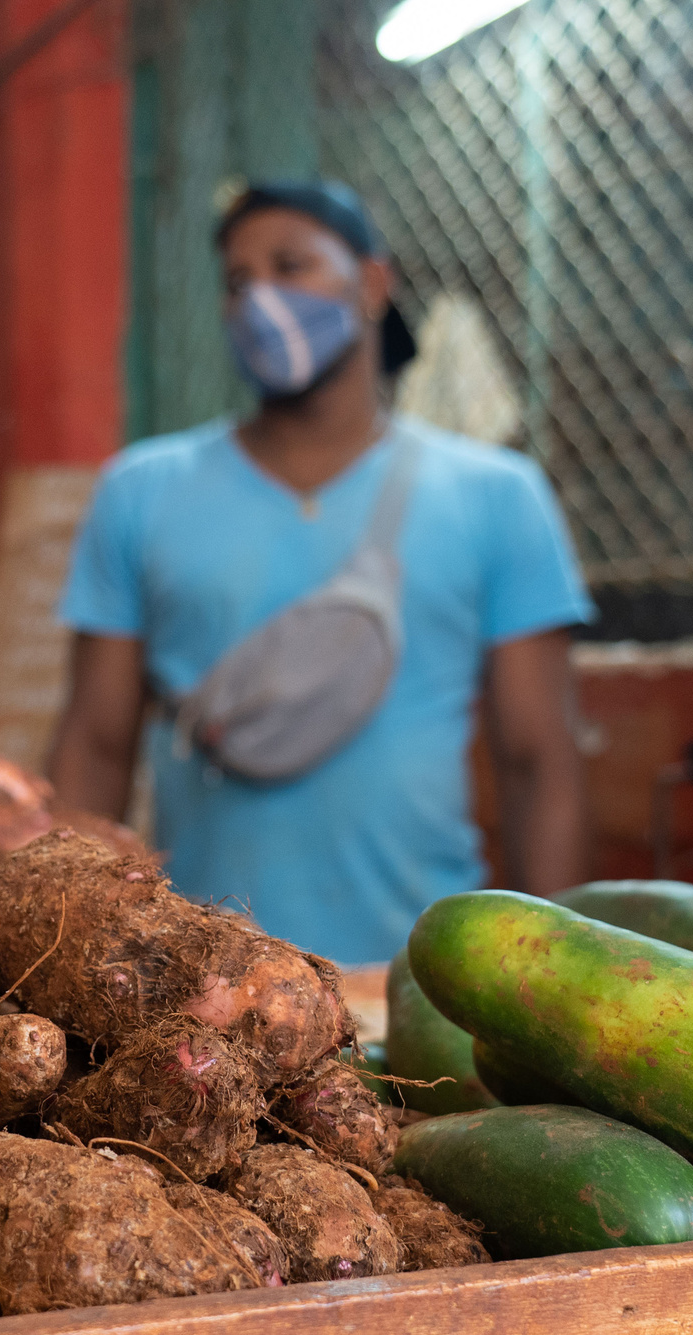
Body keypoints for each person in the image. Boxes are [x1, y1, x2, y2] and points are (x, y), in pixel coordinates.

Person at [46, 179, 593, 965]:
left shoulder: (496, 497)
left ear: (373, 283)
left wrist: (556, 984)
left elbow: (539, 760)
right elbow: (94, 745)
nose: (260, 297)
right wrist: (64, 952)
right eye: (238, 282)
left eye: (290, 265)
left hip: (421, 978)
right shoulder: (141, 493)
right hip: (201, 992)